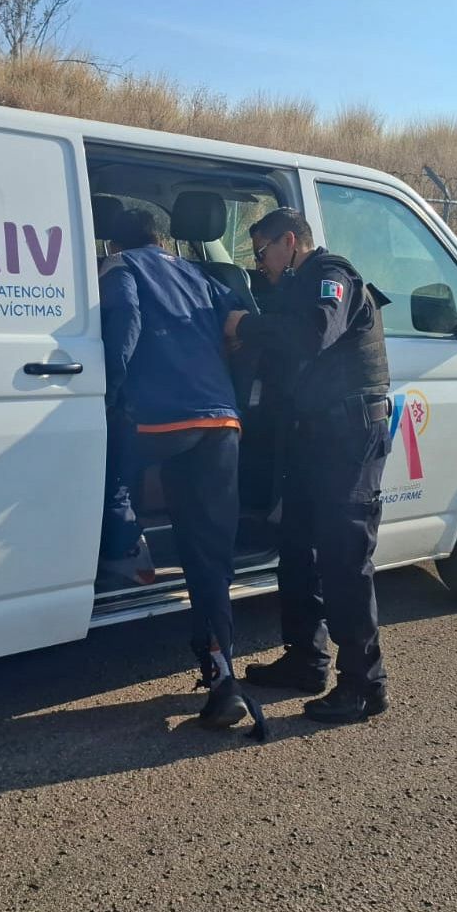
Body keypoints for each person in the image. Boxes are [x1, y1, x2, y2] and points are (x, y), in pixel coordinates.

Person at [99, 207, 266, 736]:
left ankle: (130, 549)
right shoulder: (201, 274)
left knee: (106, 466)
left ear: (115, 243)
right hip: (220, 423)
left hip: (160, 420)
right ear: (163, 238)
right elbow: (239, 331)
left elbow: (125, 324)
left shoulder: (121, 268)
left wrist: (108, 392)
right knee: (209, 557)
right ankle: (222, 677)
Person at [232, 207, 393, 724]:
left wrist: (247, 325)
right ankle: (306, 659)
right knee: (298, 548)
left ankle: (365, 685)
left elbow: (311, 335)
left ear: (290, 241)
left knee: (345, 559)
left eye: (263, 253)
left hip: (349, 436)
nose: (261, 264)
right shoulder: (294, 287)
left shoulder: (331, 276)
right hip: (315, 436)